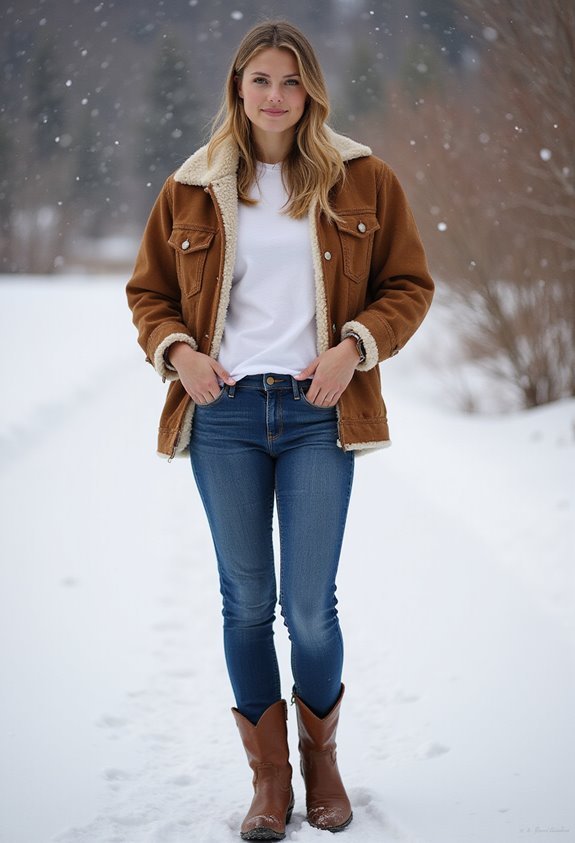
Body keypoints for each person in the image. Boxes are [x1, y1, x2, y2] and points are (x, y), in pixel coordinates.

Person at [126, 19, 434, 840]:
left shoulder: (364, 180)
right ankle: (270, 780)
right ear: (236, 87)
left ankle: (321, 760)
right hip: (223, 412)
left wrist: (354, 347)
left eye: (289, 81)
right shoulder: (188, 187)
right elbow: (147, 294)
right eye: (259, 79)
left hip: (316, 411)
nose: (274, 96)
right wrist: (180, 351)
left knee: (308, 608)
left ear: (310, 92)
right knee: (243, 603)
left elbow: (408, 284)